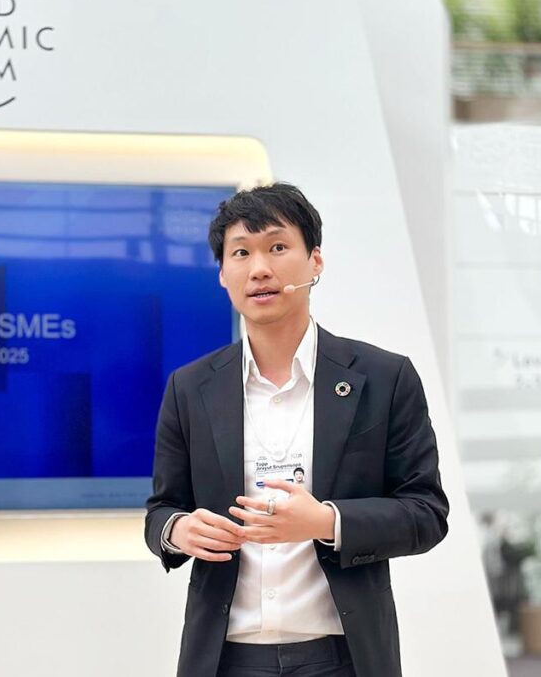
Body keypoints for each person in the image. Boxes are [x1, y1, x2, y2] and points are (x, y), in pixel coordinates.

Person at [145, 183, 449, 677]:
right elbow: (161, 510)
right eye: (241, 253)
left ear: (315, 261)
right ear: (223, 274)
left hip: (342, 658)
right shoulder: (190, 387)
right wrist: (178, 531)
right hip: (225, 659)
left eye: (278, 247)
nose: (259, 269)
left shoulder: (384, 378)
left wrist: (326, 522)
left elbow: (426, 513)